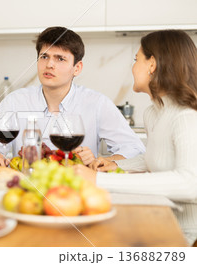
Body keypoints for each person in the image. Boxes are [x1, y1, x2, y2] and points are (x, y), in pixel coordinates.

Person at [75, 30, 197, 245]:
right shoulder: (154, 113)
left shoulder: (186, 117)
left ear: (152, 65)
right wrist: (114, 164)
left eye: (136, 59)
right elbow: (159, 156)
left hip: (186, 236)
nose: (132, 67)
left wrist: (99, 180)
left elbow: (190, 184)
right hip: (161, 220)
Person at [0, 26, 145, 167]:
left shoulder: (97, 103)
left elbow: (135, 149)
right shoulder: (14, 101)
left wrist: (99, 161)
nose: (49, 64)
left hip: (78, 188)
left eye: (60, 58)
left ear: (77, 68)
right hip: (26, 186)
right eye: (44, 56)